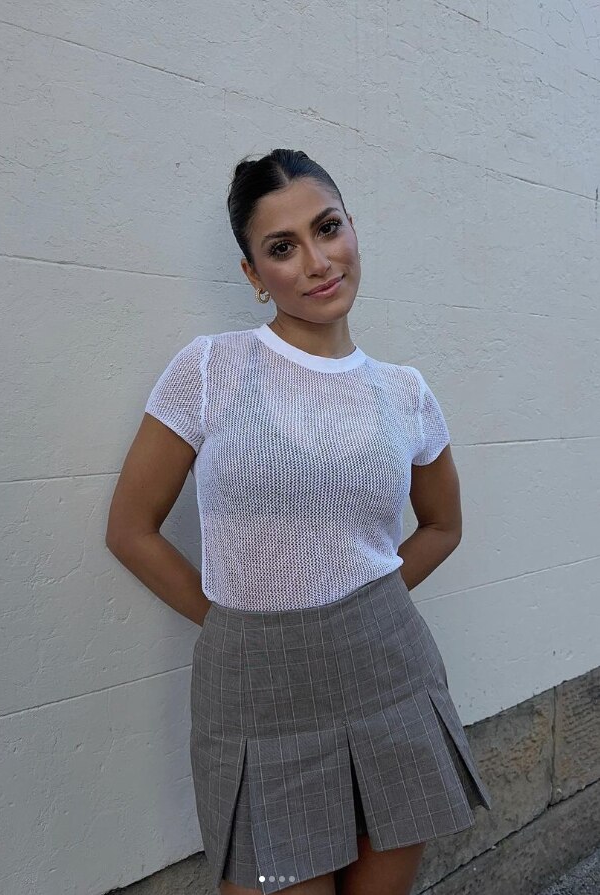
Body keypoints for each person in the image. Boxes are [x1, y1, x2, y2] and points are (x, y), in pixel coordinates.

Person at [105, 149, 492, 895]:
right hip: (256, 691)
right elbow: (130, 528)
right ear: (253, 274)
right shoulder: (209, 370)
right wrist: (231, 622)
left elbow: (442, 526)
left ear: (352, 229)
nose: (316, 262)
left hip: (388, 676)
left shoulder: (405, 392)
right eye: (282, 247)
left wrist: (366, 604)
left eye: (327, 228)